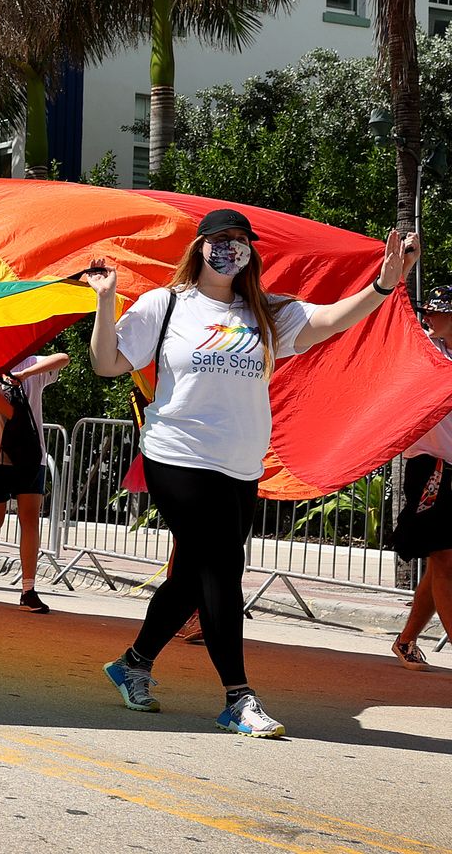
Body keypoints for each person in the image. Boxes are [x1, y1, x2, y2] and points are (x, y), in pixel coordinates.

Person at [88, 207, 414, 738]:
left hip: (240, 465)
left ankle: (134, 663)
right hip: (177, 455)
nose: (229, 247)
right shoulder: (165, 306)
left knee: (193, 576)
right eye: (219, 238)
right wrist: (104, 302)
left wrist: (382, 285)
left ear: (250, 252)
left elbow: (330, 320)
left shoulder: (264, 312)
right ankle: (238, 697)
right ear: (199, 247)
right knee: (221, 568)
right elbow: (107, 363)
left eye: (240, 239)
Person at [0, 351, 71, 611]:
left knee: (30, 518)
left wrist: (25, 374)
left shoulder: (33, 364)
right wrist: (18, 417)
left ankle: (28, 589)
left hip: (30, 455)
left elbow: (64, 357)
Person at [393, 284, 452, 671]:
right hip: (431, 466)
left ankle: (406, 639)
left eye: (438, 311)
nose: (429, 316)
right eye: (427, 310)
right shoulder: (425, 350)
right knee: (445, 558)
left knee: (440, 563)